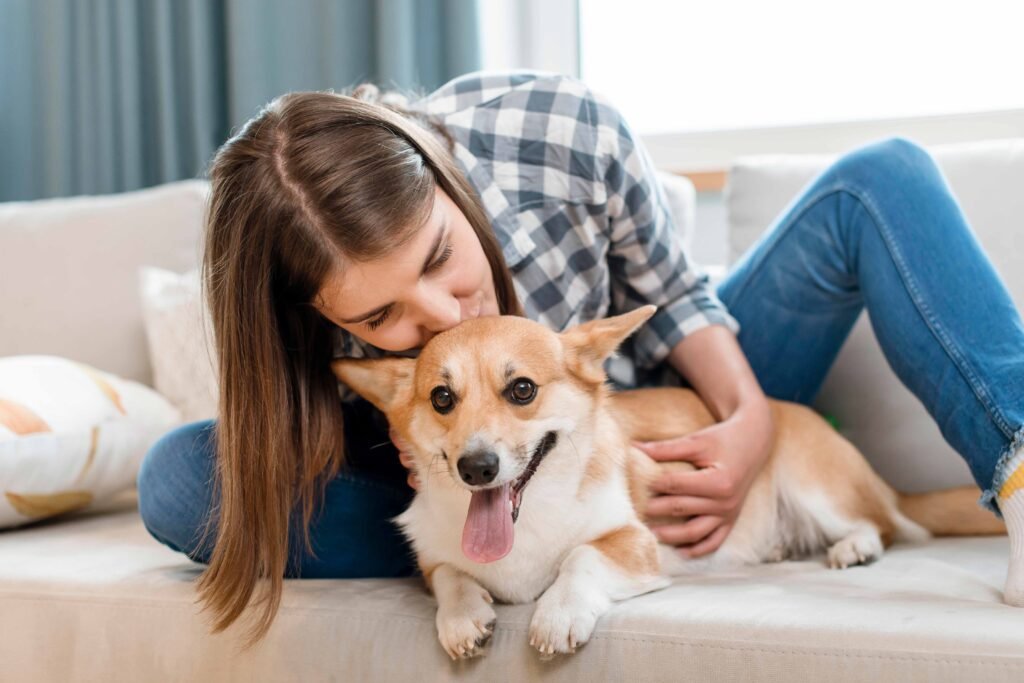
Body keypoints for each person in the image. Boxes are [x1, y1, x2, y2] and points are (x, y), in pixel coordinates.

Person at [136, 70, 1024, 648]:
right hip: (466, 468)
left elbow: (672, 295)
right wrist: (420, 437)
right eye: (379, 314)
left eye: (441, 257)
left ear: (442, 174)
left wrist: (747, 420)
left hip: (672, 403)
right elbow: (308, 427)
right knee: (181, 479)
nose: (447, 310)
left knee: (882, 175)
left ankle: (1020, 470)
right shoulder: (288, 298)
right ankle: (492, 556)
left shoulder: (559, 128)